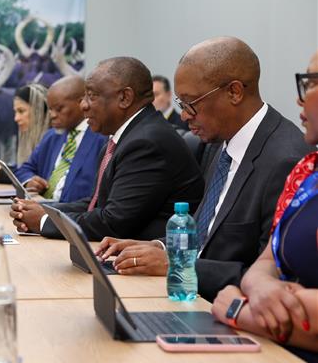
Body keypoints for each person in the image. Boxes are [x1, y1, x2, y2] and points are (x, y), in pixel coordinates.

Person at [96, 38, 313, 300]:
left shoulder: (286, 161)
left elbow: (267, 279)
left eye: (190, 103)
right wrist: (155, 247)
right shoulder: (217, 142)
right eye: (180, 103)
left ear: (234, 92)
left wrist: (175, 264)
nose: (184, 115)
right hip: (189, 298)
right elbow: (205, 235)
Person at [10, 56, 204, 241]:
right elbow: (96, 204)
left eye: (91, 96)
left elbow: (114, 222)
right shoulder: (126, 137)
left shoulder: (146, 143)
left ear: (125, 98)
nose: (84, 105)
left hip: (150, 266)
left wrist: (44, 221)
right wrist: (47, 210)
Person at [210, 50, 318, 353]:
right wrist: (261, 286)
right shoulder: (307, 170)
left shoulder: (286, 156)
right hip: (274, 351)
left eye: (310, 83)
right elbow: (267, 260)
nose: (300, 99)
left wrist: (236, 309)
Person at [13, 76, 108, 202]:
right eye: (50, 109)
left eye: (58, 109)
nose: (52, 115)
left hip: (73, 216)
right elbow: (25, 169)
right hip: (43, 208)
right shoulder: (51, 136)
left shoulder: (102, 139)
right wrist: (30, 180)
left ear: (82, 103)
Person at [0, 83, 49, 180]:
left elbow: (37, 176)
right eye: (15, 112)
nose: (16, 118)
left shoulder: (51, 142)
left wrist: (2, 173)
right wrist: (2, 169)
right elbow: (26, 169)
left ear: (38, 111)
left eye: (21, 111)